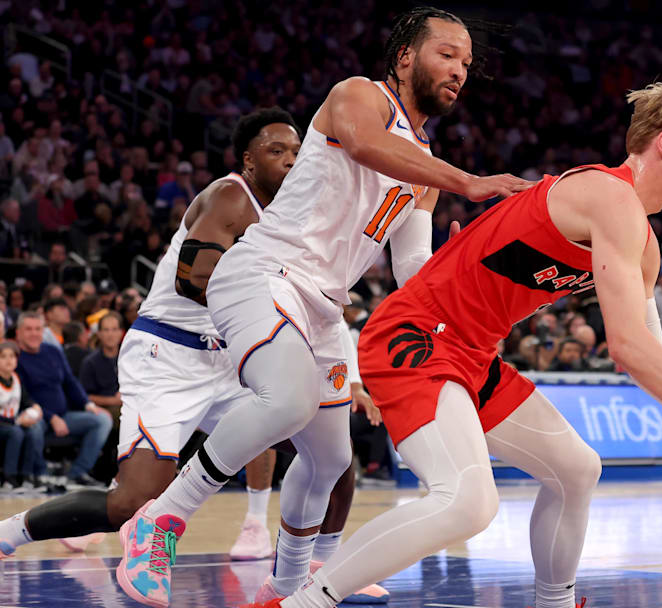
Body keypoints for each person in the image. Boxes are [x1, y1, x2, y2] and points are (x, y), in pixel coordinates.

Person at [245, 72, 662, 608]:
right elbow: (629, 347)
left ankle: (553, 602)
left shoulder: (643, 244)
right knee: (467, 503)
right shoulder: (609, 197)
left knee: (578, 470)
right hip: (414, 336)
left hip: (470, 354)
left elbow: (644, 360)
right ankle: (301, 604)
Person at [116, 8, 530, 607]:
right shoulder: (358, 96)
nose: (459, 70)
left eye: (467, 63)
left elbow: (412, 271)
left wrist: (473, 267)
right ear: (406, 56)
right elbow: (365, 144)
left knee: (332, 458)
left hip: (324, 306)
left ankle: (283, 587)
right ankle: (160, 521)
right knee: (286, 400)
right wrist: (469, 181)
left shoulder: (426, 171)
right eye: (447, 54)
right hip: (266, 271)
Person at [0, 110, 385, 604]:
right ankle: (14, 530)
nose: (290, 161)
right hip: (171, 354)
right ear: (247, 160)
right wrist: (271, 315)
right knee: (132, 503)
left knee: (331, 456)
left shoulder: (296, 220)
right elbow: (194, 278)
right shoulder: (230, 196)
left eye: (296, 152)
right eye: (276, 152)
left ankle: (319, 563)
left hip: (231, 356)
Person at [11, 311, 112, 488]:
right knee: (33, 425)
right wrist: (51, 417)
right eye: (28, 329)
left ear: (43, 331)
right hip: (34, 416)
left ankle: (77, 473)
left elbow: (69, 381)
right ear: (18, 332)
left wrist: (87, 404)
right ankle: (39, 475)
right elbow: (23, 397)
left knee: (102, 420)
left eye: (38, 329)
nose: (34, 333)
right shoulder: (14, 357)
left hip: (64, 416)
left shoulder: (53, 351)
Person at [0, 341, 46, 493]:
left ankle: (27, 477)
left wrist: (35, 407)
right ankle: (9, 478)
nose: (8, 360)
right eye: (3, 357)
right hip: (4, 424)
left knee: (33, 430)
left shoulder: (16, 378)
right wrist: (18, 421)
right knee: (17, 432)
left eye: (12, 356)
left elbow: (26, 399)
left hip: (12, 422)